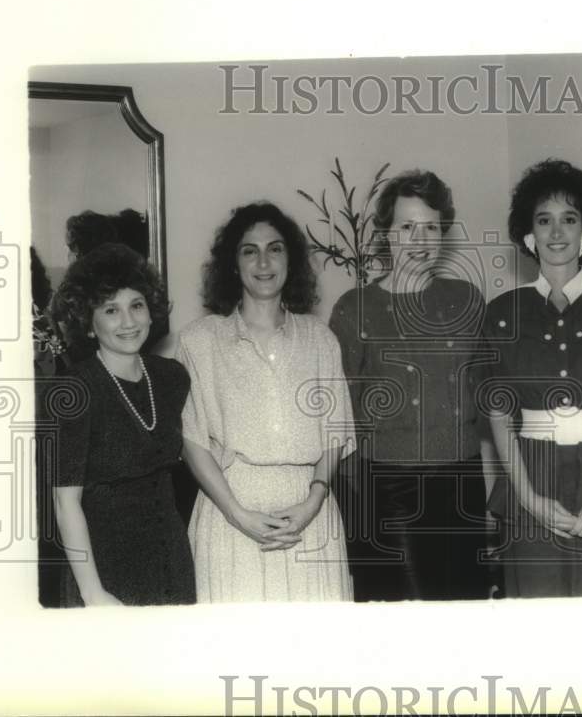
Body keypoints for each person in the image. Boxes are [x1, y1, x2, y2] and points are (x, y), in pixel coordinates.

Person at [480, 159, 582, 597]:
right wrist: (528, 498)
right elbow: (499, 418)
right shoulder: (502, 314)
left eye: (569, 219)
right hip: (531, 474)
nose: (557, 233)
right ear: (528, 234)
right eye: (544, 220)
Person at [176, 201, 354, 602]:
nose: (263, 261)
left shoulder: (320, 340)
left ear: (290, 259)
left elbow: (335, 433)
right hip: (230, 514)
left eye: (275, 248)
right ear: (232, 264)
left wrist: (314, 500)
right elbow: (192, 440)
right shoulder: (199, 342)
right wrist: (237, 514)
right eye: (249, 250)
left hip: (310, 511)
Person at [329, 169, 492, 601]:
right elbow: (341, 415)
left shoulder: (468, 299)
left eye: (431, 228)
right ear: (385, 233)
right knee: (405, 624)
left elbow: (485, 395)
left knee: (466, 612)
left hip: (462, 482)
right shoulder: (355, 308)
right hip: (388, 488)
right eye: (406, 227)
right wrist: (358, 500)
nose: (419, 240)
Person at [49, 243, 195, 606]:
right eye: (111, 310)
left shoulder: (172, 377)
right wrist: (93, 593)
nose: (128, 322)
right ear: (88, 321)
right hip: (103, 570)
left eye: (137, 305)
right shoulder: (74, 390)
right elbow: (65, 502)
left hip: (170, 560)